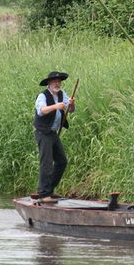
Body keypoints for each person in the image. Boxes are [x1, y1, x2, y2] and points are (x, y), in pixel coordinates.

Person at [33, 71, 76, 203]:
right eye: (54, 81)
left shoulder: (62, 94)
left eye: (59, 81)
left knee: (62, 161)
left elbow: (70, 110)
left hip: (52, 132)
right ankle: (43, 194)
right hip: (43, 132)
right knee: (46, 163)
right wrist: (56, 106)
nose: (57, 83)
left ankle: (49, 190)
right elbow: (41, 110)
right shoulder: (42, 96)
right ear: (49, 83)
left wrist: (72, 104)